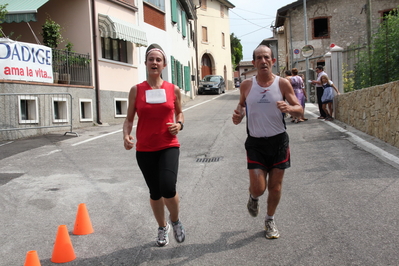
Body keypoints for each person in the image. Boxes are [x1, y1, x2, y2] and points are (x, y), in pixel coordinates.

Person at [232, 45, 303, 239]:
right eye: (259, 58)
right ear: (254, 63)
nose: (263, 61)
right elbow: (241, 106)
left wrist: (288, 108)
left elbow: (300, 110)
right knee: (259, 188)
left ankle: (270, 219)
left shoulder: (282, 84)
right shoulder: (247, 85)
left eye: (266, 58)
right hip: (255, 143)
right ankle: (253, 197)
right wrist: (239, 115)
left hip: (279, 142)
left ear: (272, 61)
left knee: (276, 187)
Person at [123, 44, 185, 247]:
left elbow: (180, 113)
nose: (154, 62)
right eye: (151, 59)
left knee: (168, 186)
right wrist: (126, 135)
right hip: (145, 149)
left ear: (164, 65)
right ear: (145, 63)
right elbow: (129, 119)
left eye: (158, 60)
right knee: (155, 192)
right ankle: (162, 226)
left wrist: (179, 124)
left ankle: (175, 221)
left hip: (168, 145)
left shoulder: (172, 89)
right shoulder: (136, 90)